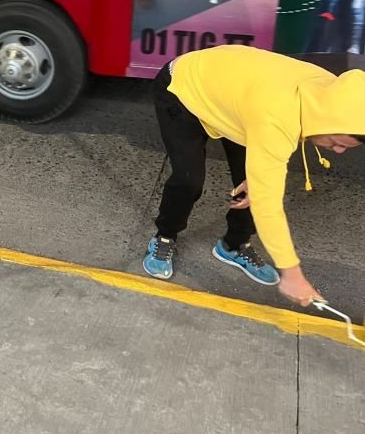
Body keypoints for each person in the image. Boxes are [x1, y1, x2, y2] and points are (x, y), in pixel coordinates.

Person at [142, 44, 365, 306]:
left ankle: (233, 245)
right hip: (185, 88)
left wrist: (259, 180)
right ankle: (165, 235)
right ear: (327, 120)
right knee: (189, 179)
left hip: (239, 101)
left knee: (258, 185)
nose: (338, 151)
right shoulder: (277, 116)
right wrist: (292, 273)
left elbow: (273, 162)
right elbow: (268, 204)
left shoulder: (333, 93)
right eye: (336, 142)